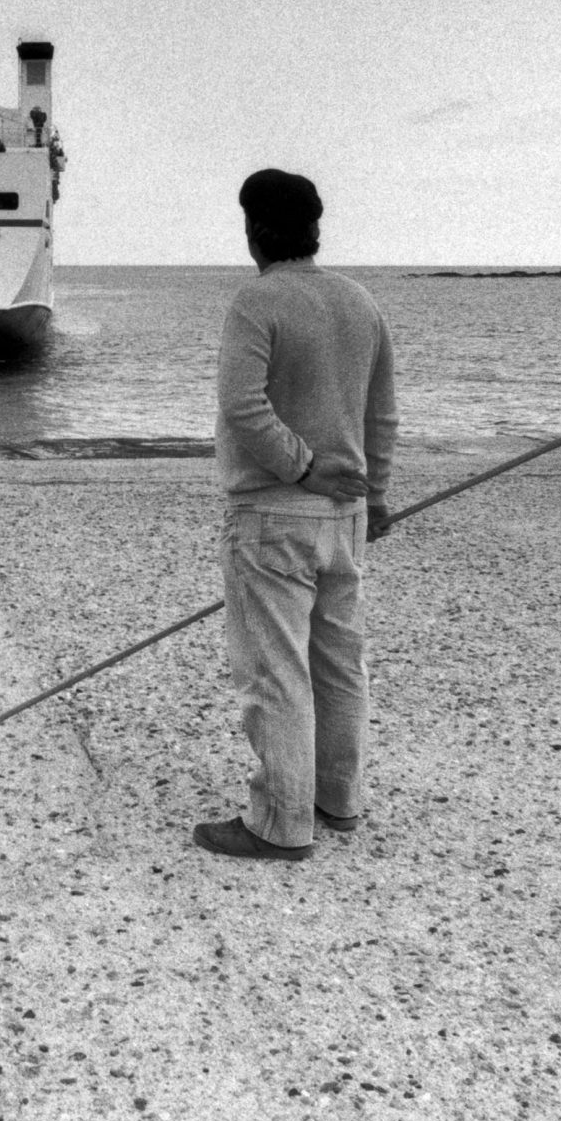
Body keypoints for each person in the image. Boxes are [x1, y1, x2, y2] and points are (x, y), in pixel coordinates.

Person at [195, 168, 398, 862]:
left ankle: (280, 824)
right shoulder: (358, 301)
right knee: (340, 664)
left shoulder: (258, 301)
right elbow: (381, 414)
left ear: (254, 230)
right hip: (345, 520)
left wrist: (301, 466)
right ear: (314, 229)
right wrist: (376, 495)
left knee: (277, 672)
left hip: (274, 516)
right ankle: (336, 802)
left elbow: (244, 408)